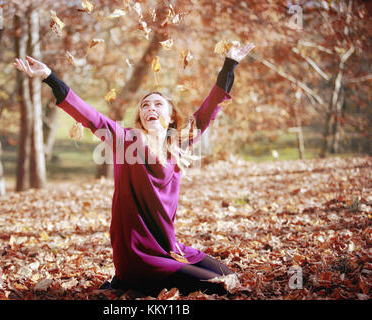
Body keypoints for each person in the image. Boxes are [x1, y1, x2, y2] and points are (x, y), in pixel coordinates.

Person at [13, 41, 255, 296]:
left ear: (171, 116)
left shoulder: (179, 143)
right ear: (140, 116)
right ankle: (128, 279)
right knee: (221, 288)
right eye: (145, 105)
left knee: (231, 278)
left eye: (158, 104)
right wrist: (50, 78)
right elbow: (90, 116)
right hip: (138, 255)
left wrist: (230, 63)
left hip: (168, 247)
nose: (151, 108)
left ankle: (127, 283)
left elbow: (209, 110)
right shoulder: (126, 140)